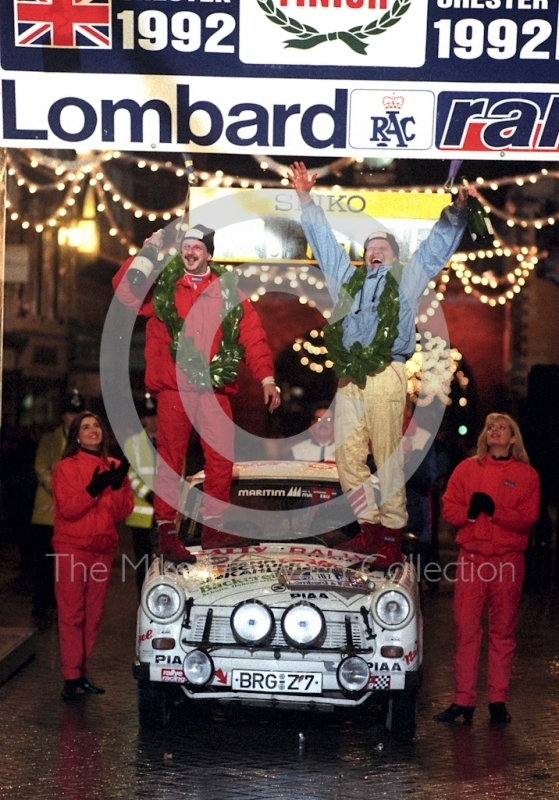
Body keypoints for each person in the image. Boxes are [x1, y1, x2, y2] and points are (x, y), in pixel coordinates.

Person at [288, 161, 471, 568]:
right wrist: (305, 198)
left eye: (382, 248)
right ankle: (369, 529)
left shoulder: (407, 280)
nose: (374, 252)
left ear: (394, 256)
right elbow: (324, 245)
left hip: (387, 372)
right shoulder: (345, 279)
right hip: (349, 375)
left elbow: (434, 249)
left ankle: (391, 536)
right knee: (347, 457)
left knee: (387, 455)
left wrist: (456, 213)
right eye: (370, 248)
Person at [113, 224, 280, 558]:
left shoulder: (228, 292)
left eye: (197, 248)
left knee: (221, 457)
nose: (190, 252)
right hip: (174, 387)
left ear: (209, 254)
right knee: (172, 459)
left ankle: (214, 529)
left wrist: (266, 378)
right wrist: (146, 252)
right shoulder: (164, 285)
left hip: (213, 388)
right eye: (186, 247)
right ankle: (166, 531)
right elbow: (125, 291)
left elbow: (252, 334)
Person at [434, 413, 540, 724]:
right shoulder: (467, 469)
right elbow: (450, 507)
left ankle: (497, 701)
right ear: (485, 436)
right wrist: (470, 513)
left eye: (502, 428)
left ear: (512, 438)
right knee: (465, 629)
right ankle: (463, 701)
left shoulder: (527, 475)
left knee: (502, 632)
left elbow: (528, 517)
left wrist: (496, 512)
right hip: (472, 560)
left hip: (507, 561)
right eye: (491, 427)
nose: (495, 431)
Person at [52, 411, 133, 700]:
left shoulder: (111, 465)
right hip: (72, 548)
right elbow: (69, 510)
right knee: (72, 612)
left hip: (101, 549)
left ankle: (81, 672)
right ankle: (71, 675)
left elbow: (123, 512)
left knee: (93, 616)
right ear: (76, 435)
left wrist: (120, 484)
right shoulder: (65, 467)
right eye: (85, 427)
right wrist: (93, 490)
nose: (92, 430)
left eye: (96, 425)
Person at [30, 391, 85, 617]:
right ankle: (41, 602)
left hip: (72, 516)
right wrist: (59, 491)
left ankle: (60, 602)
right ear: (63, 416)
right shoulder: (49, 440)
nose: (73, 418)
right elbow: (41, 468)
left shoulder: (84, 441)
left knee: (65, 564)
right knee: (44, 561)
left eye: (77, 414)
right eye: (70, 413)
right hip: (47, 515)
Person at [123, 395, 158, 597]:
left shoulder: (172, 441)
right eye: (148, 417)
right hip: (141, 517)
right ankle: (142, 603)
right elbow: (130, 476)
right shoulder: (132, 444)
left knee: (164, 565)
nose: (153, 421)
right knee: (143, 565)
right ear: (143, 420)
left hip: (165, 514)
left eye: (156, 415)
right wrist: (149, 495)